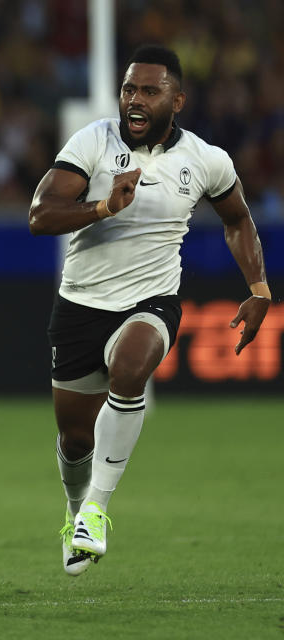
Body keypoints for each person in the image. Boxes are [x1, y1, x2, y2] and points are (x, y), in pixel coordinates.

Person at [28, 45, 272, 576]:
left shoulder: (207, 160)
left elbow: (237, 220)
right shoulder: (93, 141)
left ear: (177, 99)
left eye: (149, 91)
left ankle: (97, 509)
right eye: (128, 89)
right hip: (81, 304)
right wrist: (102, 207)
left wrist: (258, 288)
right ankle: (76, 513)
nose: (134, 100)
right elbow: (40, 216)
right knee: (74, 438)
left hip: (151, 299)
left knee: (132, 368)